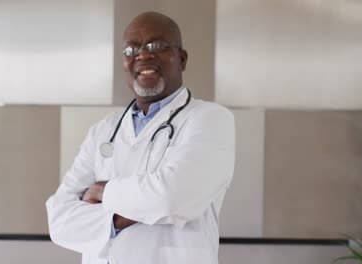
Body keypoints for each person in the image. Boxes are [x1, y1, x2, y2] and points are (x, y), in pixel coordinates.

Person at [46, 11, 235, 264]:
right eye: (131, 49)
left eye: (157, 46)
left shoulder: (210, 119)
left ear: (181, 58)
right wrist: (131, 212)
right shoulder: (103, 130)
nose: (143, 55)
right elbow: (59, 220)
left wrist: (104, 192)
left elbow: (174, 197)